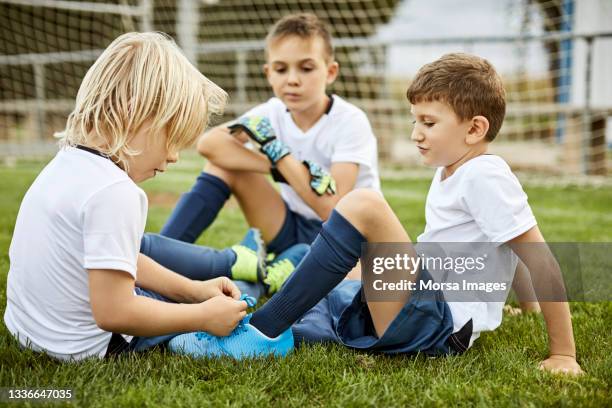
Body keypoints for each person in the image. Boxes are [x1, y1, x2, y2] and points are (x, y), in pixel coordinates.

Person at [169, 53, 583, 376]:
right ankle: (251, 316)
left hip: (438, 323)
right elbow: (508, 247)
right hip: (427, 303)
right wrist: (521, 308)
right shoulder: (456, 169)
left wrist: (563, 352)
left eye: (428, 122)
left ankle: (261, 332)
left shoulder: (484, 176)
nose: (416, 132)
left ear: (474, 129)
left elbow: (536, 255)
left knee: (365, 203)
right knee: (340, 281)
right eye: (414, 120)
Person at [3, 32, 253, 361]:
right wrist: (202, 316)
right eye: (173, 138)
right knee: (237, 302)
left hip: (30, 333)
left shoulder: (67, 161)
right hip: (87, 348)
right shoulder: (116, 192)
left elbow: (117, 257)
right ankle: (262, 274)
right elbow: (116, 312)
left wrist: (193, 290)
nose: (175, 156)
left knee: (188, 293)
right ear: (142, 115)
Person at [155, 13, 381, 294]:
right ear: (268, 73)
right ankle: (157, 259)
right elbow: (210, 144)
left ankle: (280, 268)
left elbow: (333, 209)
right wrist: (275, 166)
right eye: (281, 69)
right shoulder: (271, 112)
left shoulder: (350, 120)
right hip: (289, 227)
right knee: (223, 165)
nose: (293, 80)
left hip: (342, 237)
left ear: (331, 72)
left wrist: (279, 154)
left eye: (306, 68)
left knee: (355, 289)